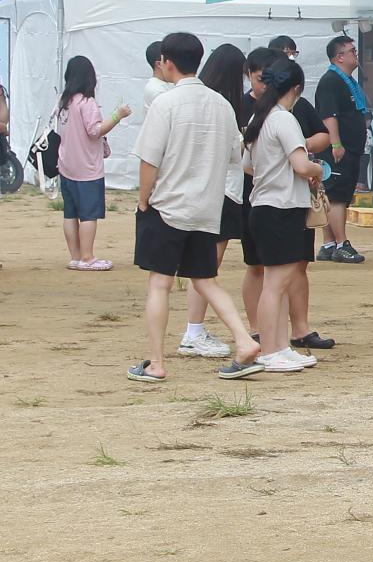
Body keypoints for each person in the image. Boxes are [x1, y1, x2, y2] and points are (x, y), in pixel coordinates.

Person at [128, 32, 262, 384]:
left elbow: (149, 160)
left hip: (168, 206)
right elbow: (236, 158)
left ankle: (156, 362)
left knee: (160, 283)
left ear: (166, 62)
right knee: (206, 280)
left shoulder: (166, 104)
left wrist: (144, 200)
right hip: (206, 208)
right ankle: (245, 340)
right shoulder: (222, 106)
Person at [244, 59, 323, 374]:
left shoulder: (260, 118)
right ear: (297, 89)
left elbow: (247, 165)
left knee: (276, 281)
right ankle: (271, 349)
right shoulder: (284, 120)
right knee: (276, 283)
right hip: (281, 207)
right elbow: (302, 166)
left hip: (265, 205)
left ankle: (278, 346)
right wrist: (318, 170)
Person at [176, 44, 249, 361]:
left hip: (196, 191)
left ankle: (194, 331)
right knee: (205, 270)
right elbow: (237, 155)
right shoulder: (223, 107)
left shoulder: (190, 102)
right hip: (223, 193)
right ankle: (193, 332)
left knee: (203, 269)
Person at [55, 55, 129, 271]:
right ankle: (87, 257)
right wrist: (118, 115)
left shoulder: (64, 102)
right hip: (87, 169)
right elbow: (95, 131)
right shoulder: (87, 103)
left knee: (70, 213)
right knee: (88, 214)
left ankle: (76, 257)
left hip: (66, 166)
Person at [313, 35, 368, 264]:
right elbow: (329, 114)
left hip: (350, 147)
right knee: (336, 197)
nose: (356, 54)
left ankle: (329, 243)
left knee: (335, 195)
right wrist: (335, 143)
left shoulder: (347, 81)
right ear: (340, 57)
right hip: (339, 149)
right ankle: (341, 243)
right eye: (352, 51)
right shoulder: (331, 81)